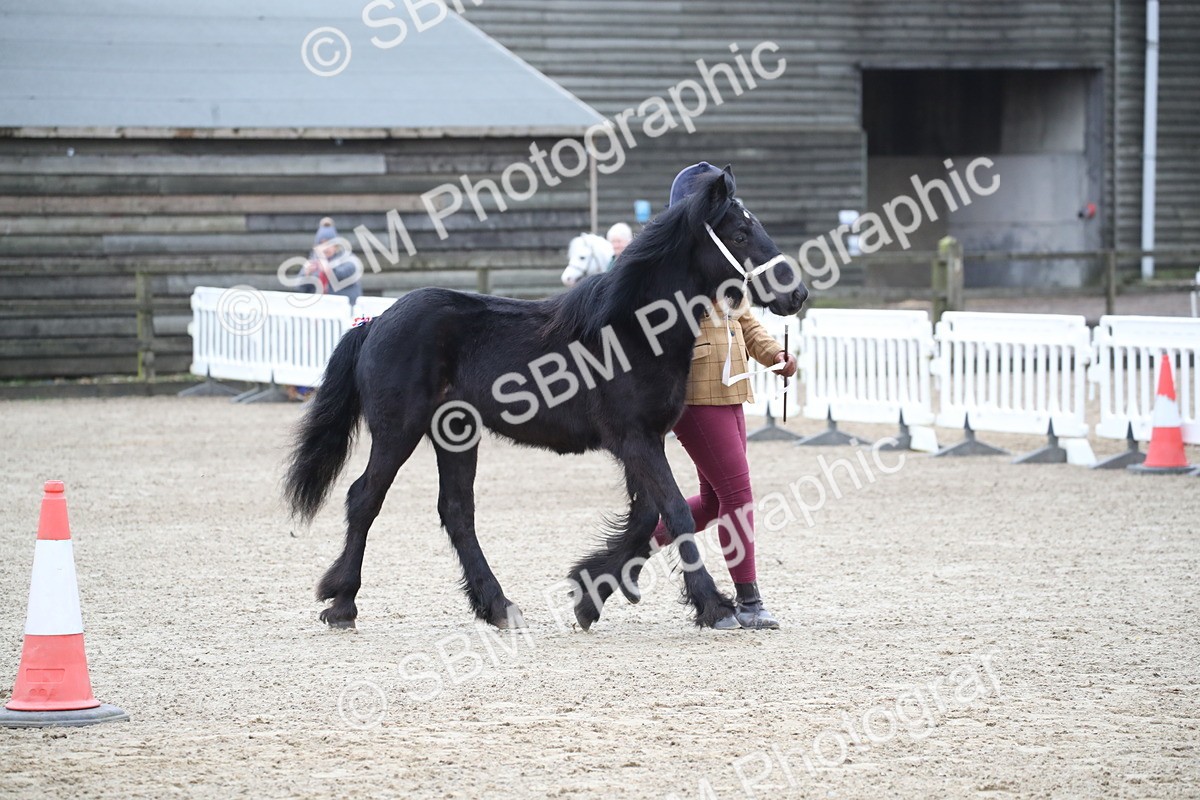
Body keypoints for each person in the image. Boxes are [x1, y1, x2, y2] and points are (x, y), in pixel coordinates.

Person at [649, 161, 798, 630]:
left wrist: (773, 353)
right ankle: (749, 599)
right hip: (693, 392)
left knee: (715, 501)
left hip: (733, 388)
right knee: (739, 493)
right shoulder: (670, 267)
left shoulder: (725, 263)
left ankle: (629, 552)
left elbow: (744, 319)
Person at [301, 217, 363, 305]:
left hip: (345, 310)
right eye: (321, 244)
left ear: (336, 245)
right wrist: (306, 274)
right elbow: (301, 287)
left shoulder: (348, 259)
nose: (325, 247)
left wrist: (327, 269)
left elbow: (345, 274)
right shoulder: (314, 261)